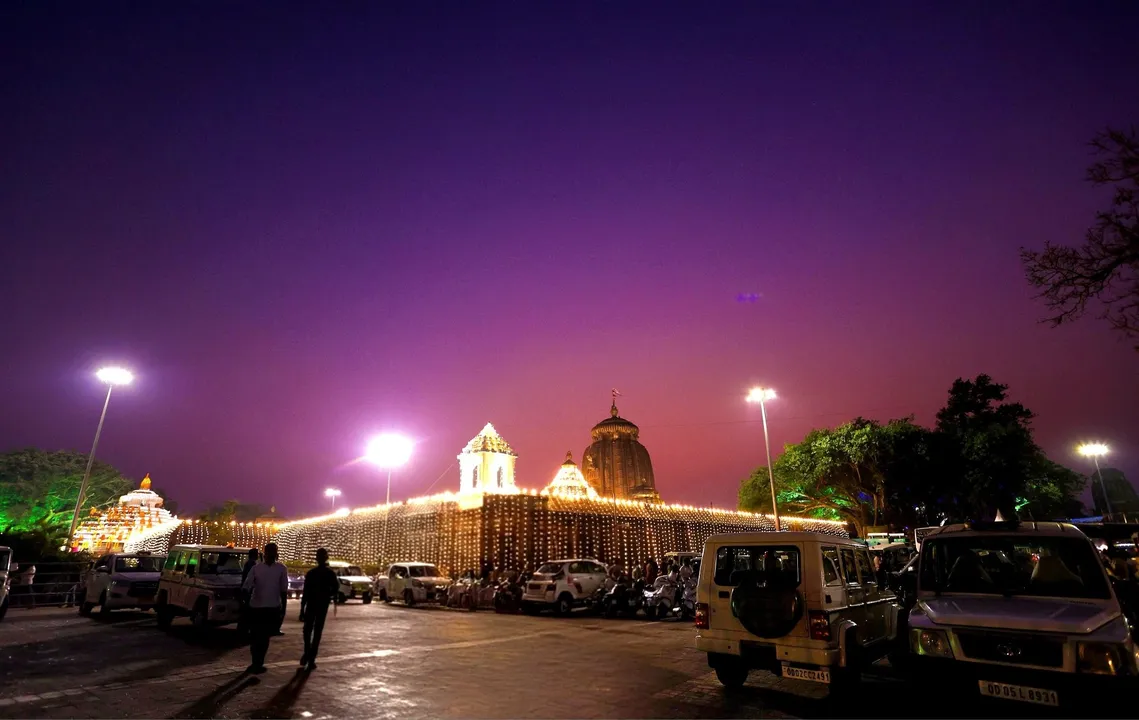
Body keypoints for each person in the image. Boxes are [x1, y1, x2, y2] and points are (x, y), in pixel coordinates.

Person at [242, 542, 288, 674]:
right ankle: (255, 661)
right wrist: (246, 603)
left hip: (272, 607)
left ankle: (259, 662)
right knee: (255, 637)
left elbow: (283, 590)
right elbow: (246, 586)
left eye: (274, 552)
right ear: (265, 553)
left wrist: (282, 609)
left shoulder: (281, 569)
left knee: (264, 637)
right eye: (269, 552)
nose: (272, 555)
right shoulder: (256, 569)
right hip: (256, 607)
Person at [299, 548, 339, 670]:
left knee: (307, 630)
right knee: (317, 631)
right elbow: (336, 589)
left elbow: (305, 593)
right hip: (322, 605)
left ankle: (307, 653)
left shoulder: (311, 573)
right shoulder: (330, 574)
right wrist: (328, 595)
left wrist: (302, 609)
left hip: (311, 604)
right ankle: (311, 658)